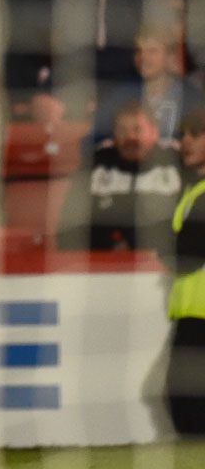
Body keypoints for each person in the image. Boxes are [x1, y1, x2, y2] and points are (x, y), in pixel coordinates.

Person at [57, 101, 182, 252]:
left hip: (165, 262)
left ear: (155, 133)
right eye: (122, 130)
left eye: (137, 130)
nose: (130, 137)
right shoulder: (96, 166)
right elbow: (70, 228)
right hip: (104, 264)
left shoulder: (175, 165)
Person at [92, 25, 205, 146]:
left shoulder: (192, 98)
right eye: (139, 50)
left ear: (170, 56)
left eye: (152, 51)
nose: (143, 57)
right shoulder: (120, 95)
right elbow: (97, 137)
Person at [166, 105, 205, 435]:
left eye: (196, 134)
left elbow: (185, 252)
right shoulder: (194, 191)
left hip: (200, 315)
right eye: (183, 135)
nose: (185, 142)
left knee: (184, 401)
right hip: (192, 312)